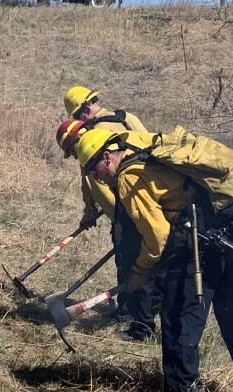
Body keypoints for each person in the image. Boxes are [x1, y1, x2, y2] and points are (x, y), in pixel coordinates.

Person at [74, 128, 233, 392]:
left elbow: (157, 237)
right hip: (231, 236)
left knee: (178, 322)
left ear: (108, 157)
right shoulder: (149, 159)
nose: (96, 178)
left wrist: (140, 272)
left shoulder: (129, 178)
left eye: (94, 169)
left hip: (200, 248)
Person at [57, 116, 159, 340]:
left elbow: (106, 189)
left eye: (72, 151)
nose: (75, 156)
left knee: (137, 266)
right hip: (138, 209)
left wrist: (121, 222)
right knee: (140, 266)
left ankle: (141, 326)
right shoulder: (109, 142)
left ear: (77, 139)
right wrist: (89, 212)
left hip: (135, 212)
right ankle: (139, 316)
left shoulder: (98, 152)